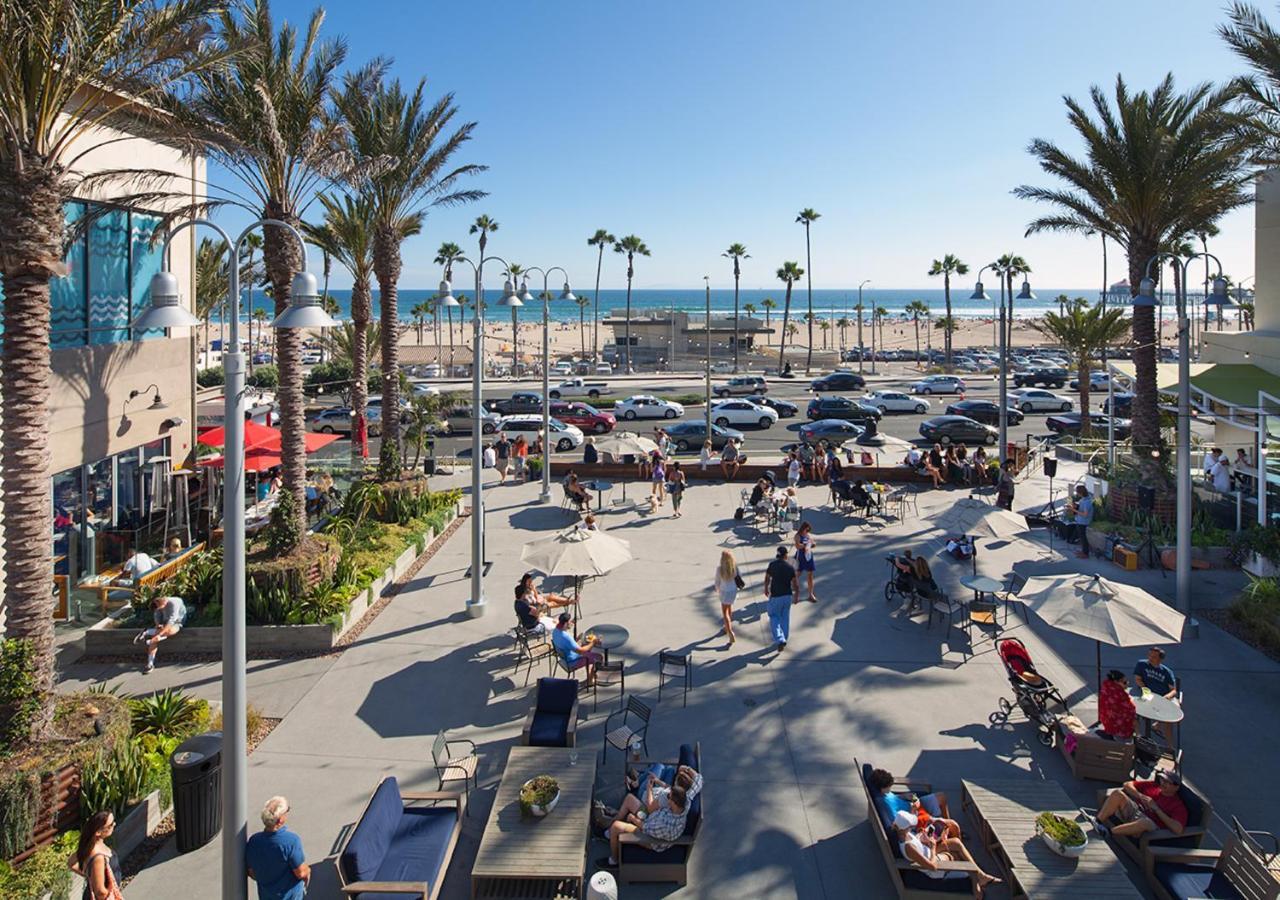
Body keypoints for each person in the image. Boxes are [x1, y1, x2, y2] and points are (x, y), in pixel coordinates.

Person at [596, 765, 703, 872]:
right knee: (629, 799)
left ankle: (614, 861)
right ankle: (609, 834)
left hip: (652, 839)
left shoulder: (666, 824)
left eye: (669, 797)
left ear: (673, 803)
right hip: (652, 820)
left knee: (616, 826)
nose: (667, 797)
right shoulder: (686, 799)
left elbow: (645, 827)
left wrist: (632, 819)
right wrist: (687, 769)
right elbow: (699, 779)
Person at [893, 810, 1001, 897]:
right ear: (906, 827)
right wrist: (933, 846)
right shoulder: (908, 847)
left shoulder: (904, 834)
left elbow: (916, 844)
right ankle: (976, 880)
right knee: (956, 855)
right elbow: (932, 867)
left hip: (928, 851)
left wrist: (923, 836)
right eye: (911, 825)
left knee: (956, 842)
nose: (912, 827)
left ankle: (979, 876)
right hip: (934, 867)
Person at [246, 795, 310, 900]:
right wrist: (308, 871)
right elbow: (301, 872)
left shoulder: (254, 841)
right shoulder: (291, 841)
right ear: (280, 820)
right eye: (287, 810)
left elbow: (252, 872)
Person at [867, 768, 960, 839]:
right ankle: (952, 838)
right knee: (954, 825)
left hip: (917, 807)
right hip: (917, 818)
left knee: (942, 797)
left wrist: (908, 797)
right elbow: (902, 824)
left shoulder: (885, 793)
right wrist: (913, 811)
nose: (891, 787)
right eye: (889, 786)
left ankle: (946, 828)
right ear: (882, 788)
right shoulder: (886, 806)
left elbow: (896, 797)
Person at [1091, 771, 1188, 838]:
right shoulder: (1153, 786)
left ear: (1176, 787)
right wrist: (1140, 796)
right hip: (1135, 810)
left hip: (1150, 824)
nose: (1163, 783)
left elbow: (1178, 829)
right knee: (1117, 794)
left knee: (1145, 822)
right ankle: (1098, 821)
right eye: (1163, 780)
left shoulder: (1177, 805)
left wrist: (1156, 809)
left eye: (1167, 782)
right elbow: (1127, 784)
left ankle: (1108, 832)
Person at [73, 810, 125, 900]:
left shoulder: (88, 847)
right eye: (111, 824)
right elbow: (100, 892)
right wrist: (110, 896)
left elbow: (71, 863)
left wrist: (91, 877)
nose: (114, 824)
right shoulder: (99, 857)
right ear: (98, 832)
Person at [1134, 646, 1180, 746]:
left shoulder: (1167, 672)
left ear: (1160, 659)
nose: (1150, 658)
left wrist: (1167, 697)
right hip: (1147, 693)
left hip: (1163, 696)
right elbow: (1138, 679)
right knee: (1134, 710)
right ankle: (1138, 737)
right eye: (1149, 655)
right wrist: (1145, 689)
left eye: (1154, 657)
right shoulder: (1141, 664)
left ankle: (1170, 746)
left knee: (1172, 713)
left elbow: (1173, 690)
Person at [135, 594, 186, 673]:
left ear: (163, 602)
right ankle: (150, 663)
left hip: (177, 621)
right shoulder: (158, 606)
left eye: (160, 607)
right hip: (165, 623)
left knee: (169, 631)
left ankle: (147, 632)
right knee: (155, 638)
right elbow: (157, 617)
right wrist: (158, 624)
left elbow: (172, 621)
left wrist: (160, 634)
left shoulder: (175, 602)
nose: (160, 610)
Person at [764, 545, 798, 651]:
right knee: (785, 617)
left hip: (776, 596)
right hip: (787, 596)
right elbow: (795, 584)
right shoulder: (790, 567)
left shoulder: (772, 565)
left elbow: (767, 578)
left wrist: (766, 588)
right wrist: (796, 594)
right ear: (786, 555)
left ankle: (780, 639)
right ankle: (784, 638)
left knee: (774, 616)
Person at [551, 612, 601, 684]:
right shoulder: (566, 637)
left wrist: (577, 639)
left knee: (588, 649)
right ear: (565, 623)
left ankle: (590, 674)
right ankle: (590, 680)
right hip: (573, 661)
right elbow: (581, 651)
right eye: (568, 622)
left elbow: (567, 644)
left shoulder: (555, 631)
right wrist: (593, 642)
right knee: (598, 657)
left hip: (564, 656)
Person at [1098, 669, 1137, 739]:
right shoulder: (1119, 693)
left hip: (1106, 721)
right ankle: (1137, 739)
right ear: (1116, 682)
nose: (1127, 684)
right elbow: (1131, 709)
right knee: (1136, 721)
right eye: (1124, 682)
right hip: (1118, 725)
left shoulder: (1106, 688)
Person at [714, 549, 740, 644]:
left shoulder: (720, 569)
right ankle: (727, 626)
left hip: (724, 591)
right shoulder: (734, 567)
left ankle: (730, 632)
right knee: (729, 607)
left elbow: (717, 581)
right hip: (733, 591)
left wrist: (717, 589)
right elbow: (739, 576)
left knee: (725, 612)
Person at [1064, 484, 1094, 558]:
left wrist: (1073, 510)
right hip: (1080, 520)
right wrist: (1074, 506)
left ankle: (1085, 553)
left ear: (1081, 492)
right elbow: (1081, 508)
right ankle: (1083, 551)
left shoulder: (1087, 502)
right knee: (1081, 537)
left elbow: (1085, 514)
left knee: (1083, 537)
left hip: (1083, 522)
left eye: (1077, 492)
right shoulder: (1084, 499)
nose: (1076, 494)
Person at [794, 521, 818, 603]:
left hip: (808, 557)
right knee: (797, 574)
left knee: (810, 575)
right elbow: (797, 546)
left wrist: (812, 544)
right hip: (801, 557)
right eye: (806, 529)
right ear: (803, 528)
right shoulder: (797, 536)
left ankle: (811, 594)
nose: (807, 531)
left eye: (808, 530)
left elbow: (813, 542)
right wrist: (806, 545)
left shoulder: (807, 535)